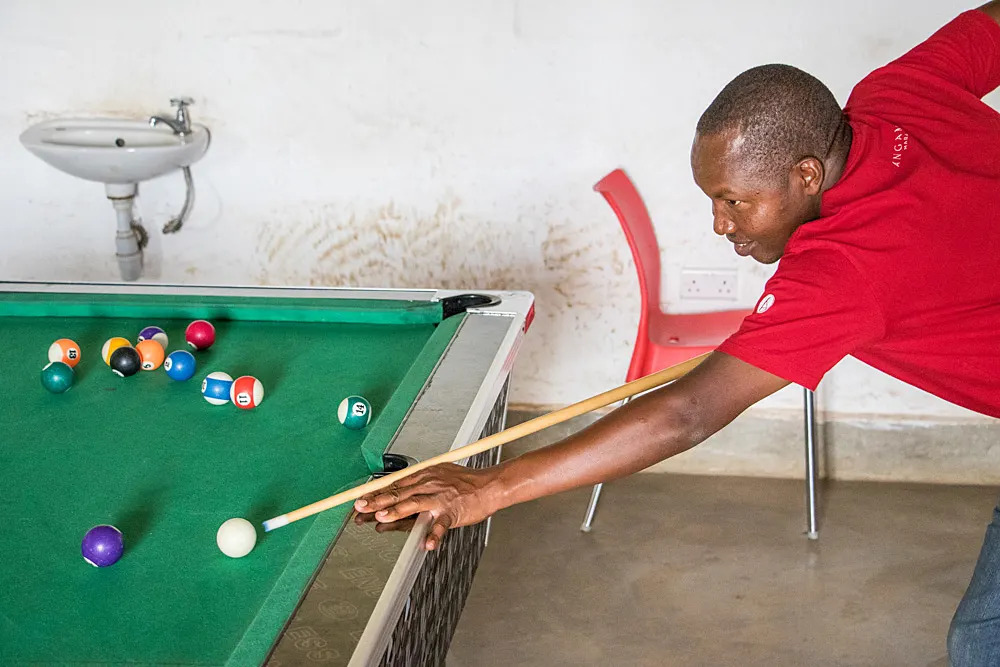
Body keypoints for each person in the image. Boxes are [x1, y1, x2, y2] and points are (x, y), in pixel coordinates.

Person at [356, 4, 1000, 663]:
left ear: (807, 175)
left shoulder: (844, 269)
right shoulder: (894, 96)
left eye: (733, 200)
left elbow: (689, 413)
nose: (721, 224)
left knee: (983, 644)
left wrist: (487, 488)